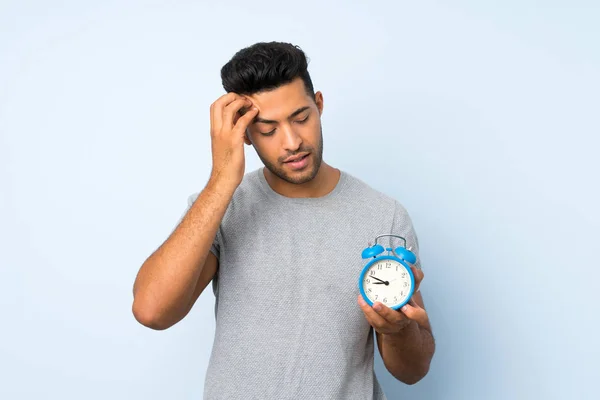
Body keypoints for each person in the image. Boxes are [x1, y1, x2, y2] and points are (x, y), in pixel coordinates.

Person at [132, 41, 435, 399]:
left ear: (319, 105)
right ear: (243, 133)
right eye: (268, 129)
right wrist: (222, 178)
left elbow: (412, 372)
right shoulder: (222, 206)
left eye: (301, 118)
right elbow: (152, 311)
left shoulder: (383, 216)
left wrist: (398, 331)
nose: (292, 141)